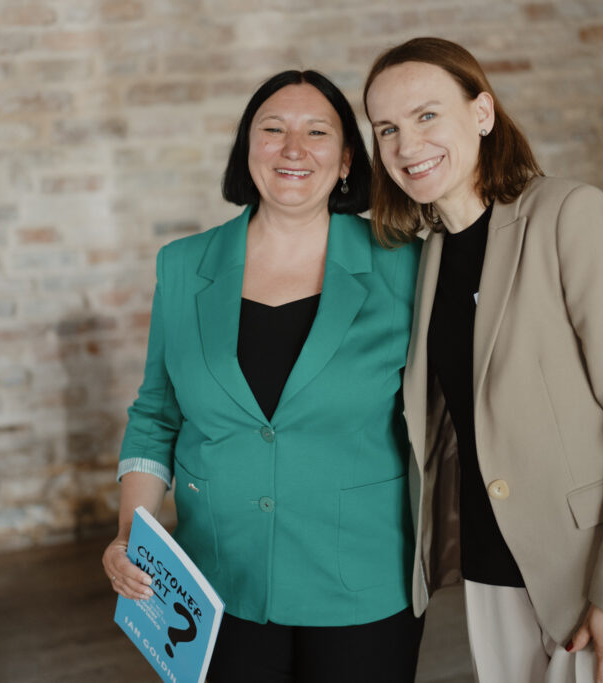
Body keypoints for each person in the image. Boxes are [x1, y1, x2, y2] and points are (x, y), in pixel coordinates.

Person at [363, 37, 603, 683]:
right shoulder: (428, 253)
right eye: (386, 128)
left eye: (426, 115)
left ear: (482, 113)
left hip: (601, 572)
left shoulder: (567, 215)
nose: (407, 145)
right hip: (492, 568)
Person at [102, 69, 424, 683]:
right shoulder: (183, 265)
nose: (293, 149)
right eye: (273, 130)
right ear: (247, 149)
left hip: (363, 580)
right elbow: (156, 415)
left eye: (317, 132)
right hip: (217, 583)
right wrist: (127, 535)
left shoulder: (404, 263)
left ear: (347, 159)